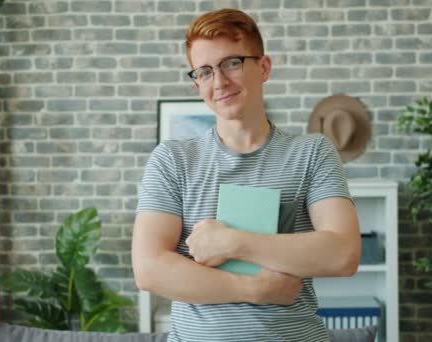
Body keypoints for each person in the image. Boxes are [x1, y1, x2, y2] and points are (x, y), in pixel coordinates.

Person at [132, 8, 361, 342]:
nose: (220, 82)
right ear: (197, 82)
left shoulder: (312, 152)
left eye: (232, 63)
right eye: (205, 71)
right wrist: (254, 289)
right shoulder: (172, 160)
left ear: (264, 67)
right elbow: (149, 270)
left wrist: (231, 242)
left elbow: (343, 255)